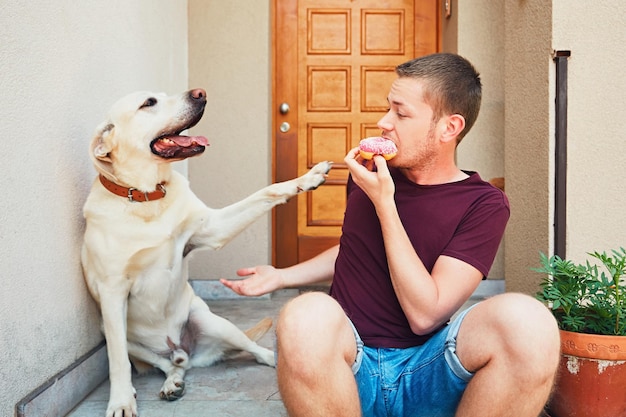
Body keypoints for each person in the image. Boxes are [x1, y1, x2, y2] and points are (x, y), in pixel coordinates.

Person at [221, 53, 560, 417]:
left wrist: (386, 205)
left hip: (429, 372)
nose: (384, 123)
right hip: (352, 369)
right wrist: (282, 276)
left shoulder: (483, 204)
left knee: (529, 321)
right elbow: (358, 250)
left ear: (449, 128)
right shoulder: (370, 175)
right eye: (388, 109)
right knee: (304, 314)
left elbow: (426, 314)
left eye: (401, 113)